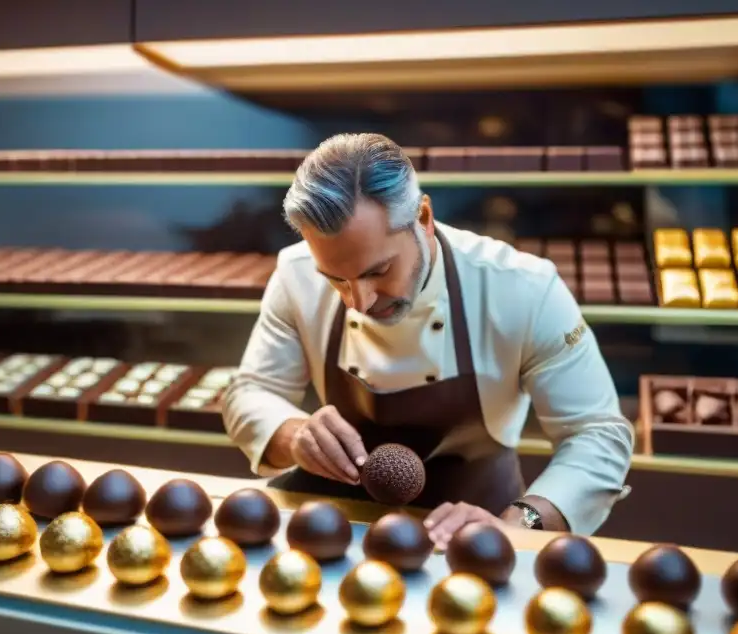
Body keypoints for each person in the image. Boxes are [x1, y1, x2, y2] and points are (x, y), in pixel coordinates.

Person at [222, 133, 633, 546]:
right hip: (332, 526)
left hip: (476, 530)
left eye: (377, 272)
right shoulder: (295, 274)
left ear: (423, 219)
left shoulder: (523, 288)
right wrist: (294, 436)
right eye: (336, 280)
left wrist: (521, 522)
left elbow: (597, 432)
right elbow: (251, 390)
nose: (359, 303)